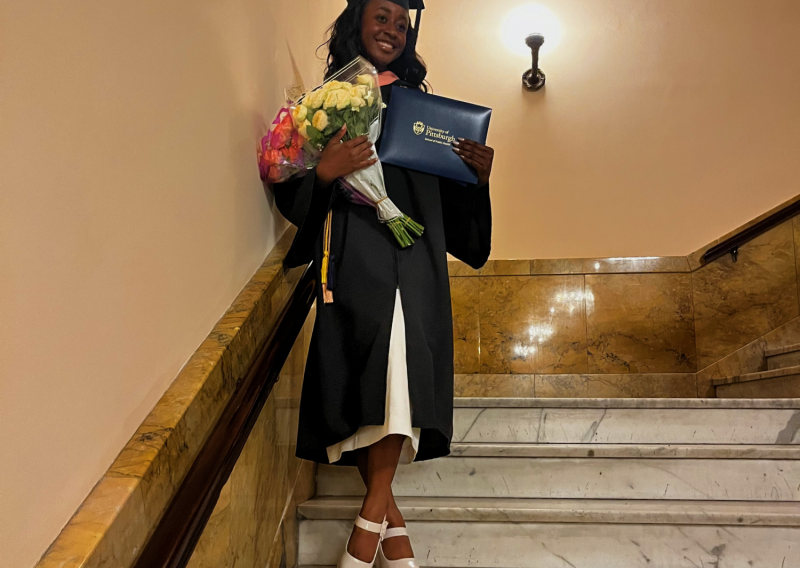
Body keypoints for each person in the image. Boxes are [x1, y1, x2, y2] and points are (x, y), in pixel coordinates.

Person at [273, 1, 493, 566]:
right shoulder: (327, 104)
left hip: (415, 260)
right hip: (356, 259)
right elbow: (295, 189)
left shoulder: (424, 112)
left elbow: (453, 217)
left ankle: (369, 528)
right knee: (378, 380)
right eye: (382, 17)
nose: (393, 29)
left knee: (400, 376)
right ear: (356, 24)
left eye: (402, 23)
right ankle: (392, 535)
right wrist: (324, 170)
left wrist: (476, 178)